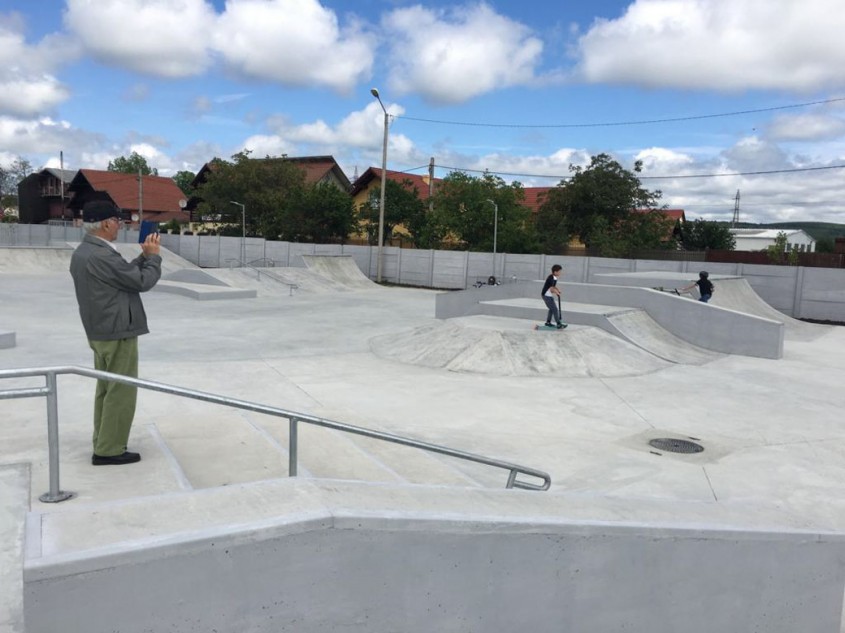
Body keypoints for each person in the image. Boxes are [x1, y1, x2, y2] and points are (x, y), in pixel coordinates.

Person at [69, 200, 162, 465]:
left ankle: (103, 441)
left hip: (99, 330)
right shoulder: (102, 254)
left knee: (106, 389)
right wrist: (153, 257)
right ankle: (109, 450)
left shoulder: (85, 251)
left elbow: (123, 275)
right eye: (118, 222)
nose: (120, 226)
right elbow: (142, 281)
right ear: (108, 223)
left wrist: (143, 257)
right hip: (117, 330)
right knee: (121, 390)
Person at [541, 264, 566, 328]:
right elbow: (551, 289)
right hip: (546, 295)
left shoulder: (554, 278)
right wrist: (556, 293)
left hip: (548, 295)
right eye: (559, 271)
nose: (560, 272)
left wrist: (558, 290)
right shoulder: (551, 278)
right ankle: (558, 323)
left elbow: (553, 286)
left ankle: (548, 322)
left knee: (552, 309)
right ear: (555, 272)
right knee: (555, 309)